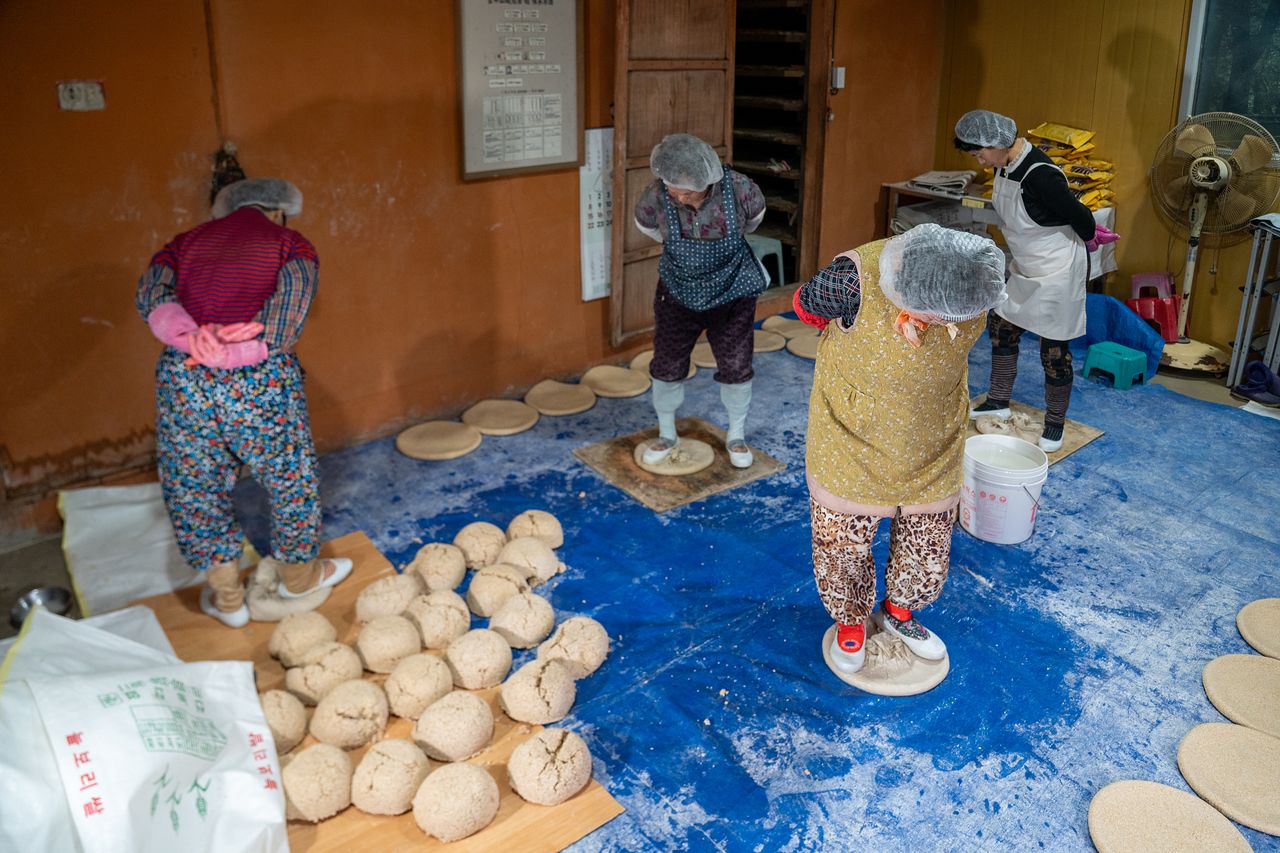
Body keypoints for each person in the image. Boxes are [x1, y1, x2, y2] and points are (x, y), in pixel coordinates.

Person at [135, 177, 352, 627]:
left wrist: (192, 338)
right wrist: (236, 350)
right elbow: (286, 318)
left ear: (225, 211)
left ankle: (228, 599)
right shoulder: (291, 245)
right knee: (289, 476)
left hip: (185, 378)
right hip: (259, 380)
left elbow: (152, 295)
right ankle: (299, 579)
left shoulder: (182, 243)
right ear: (278, 211)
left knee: (193, 482)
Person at [794, 224, 1007, 674]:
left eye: (948, 318)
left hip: (932, 432)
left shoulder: (974, 278)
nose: (939, 324)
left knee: (928, 537)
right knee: (842, 538)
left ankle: (900, 613)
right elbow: (805, 307)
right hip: (853, 434)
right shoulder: (851, 279)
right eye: (930, 314)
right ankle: (851, 622)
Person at [953, 109, 1118, 451]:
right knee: (1002, 325)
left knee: (1053, 350)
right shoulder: (1005, 165)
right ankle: (998, 399)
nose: (980, 160)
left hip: (1058, 269)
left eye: (979, 152)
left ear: (996, 143)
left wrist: (1090, 235)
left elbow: (1079, 215)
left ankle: (1055, 424)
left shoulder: (1041, 174)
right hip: (1027, 264)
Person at [633, 133, 768, 468]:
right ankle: (666, 433)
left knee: (736, 364)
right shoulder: (656, 196)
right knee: (666, 363)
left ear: (708, 180)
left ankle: (736, 437)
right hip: (677, 292)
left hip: (732, 292)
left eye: (688, 190)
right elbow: (647, 226)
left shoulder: (740, 190)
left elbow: (753, 221)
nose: (679, 195)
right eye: (672, 187)